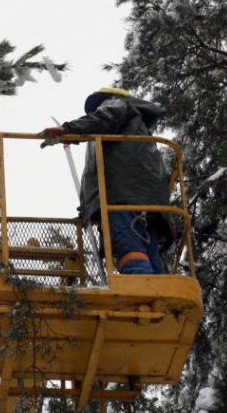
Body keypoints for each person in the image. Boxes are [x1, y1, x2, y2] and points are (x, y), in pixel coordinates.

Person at [41, 87, 171, 274]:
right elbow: (95, 177)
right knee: (148, 250)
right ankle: (160, 288)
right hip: (147, 201)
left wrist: (67, 129)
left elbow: (105, 117)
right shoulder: (131, 135)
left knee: (128, 245)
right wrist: (87, 208)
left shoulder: (116, 104)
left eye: (97, 106)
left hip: (121, 196)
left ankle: (140, 283)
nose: (97, 110)